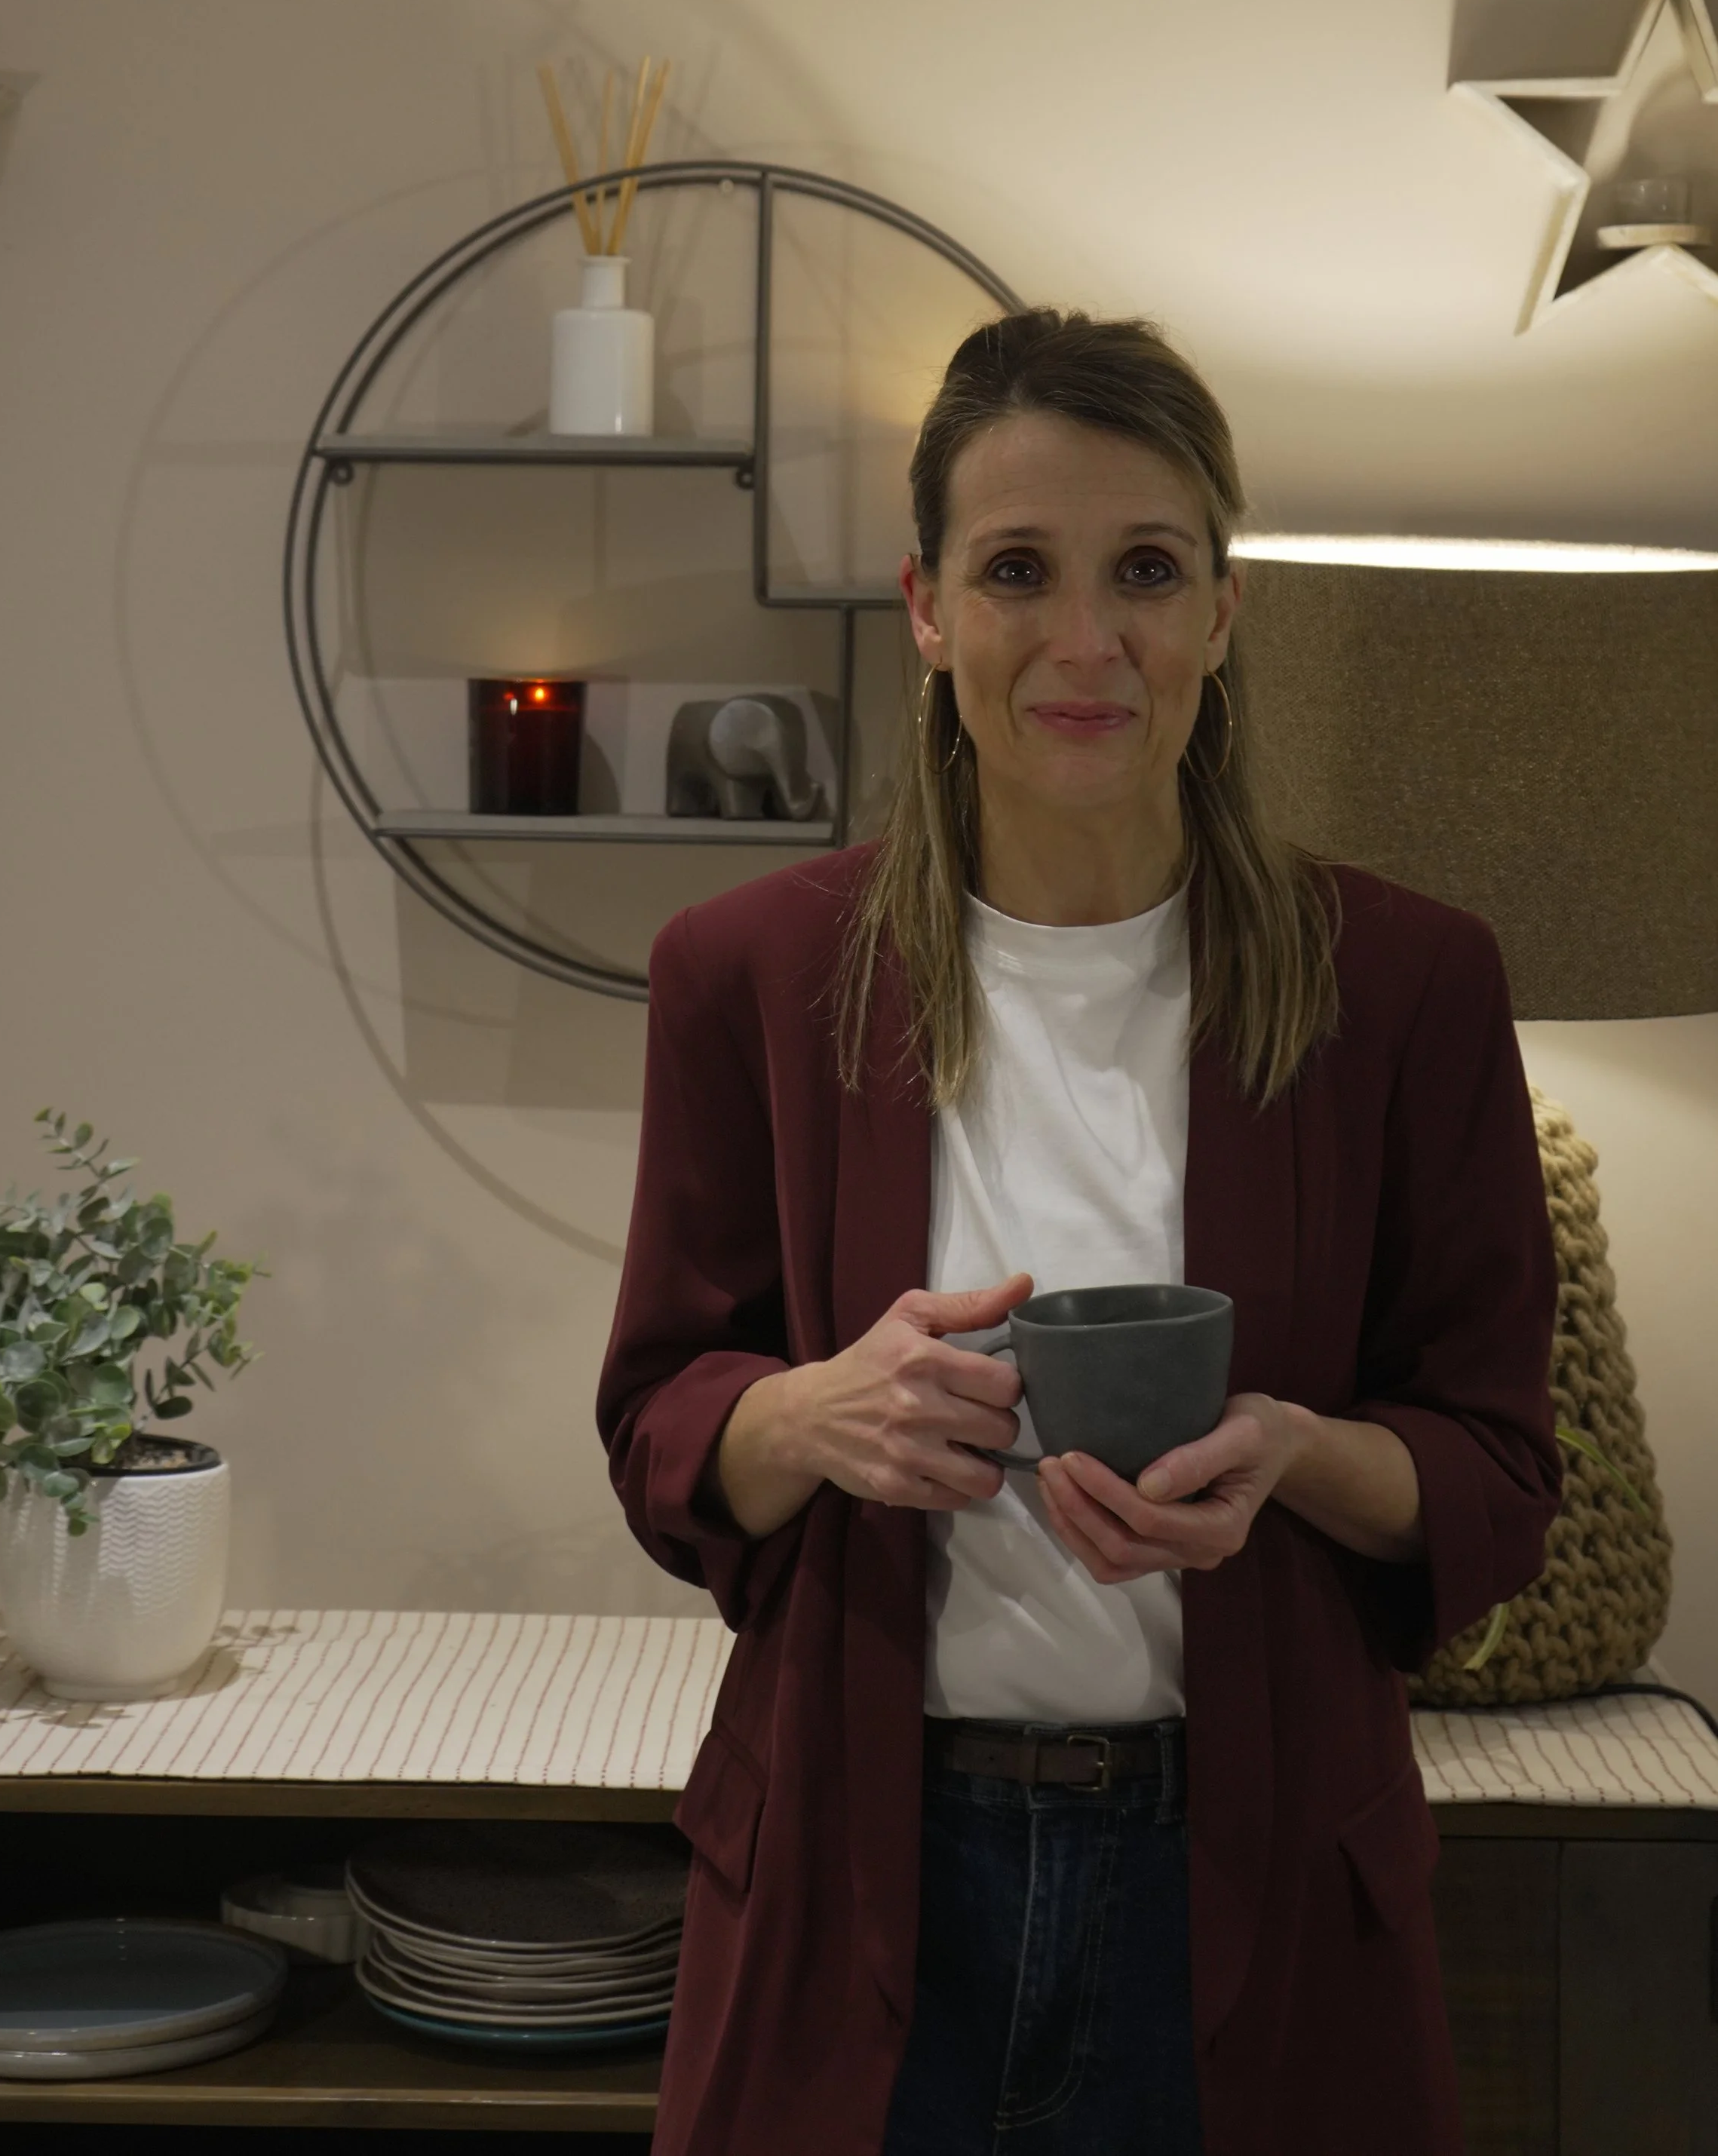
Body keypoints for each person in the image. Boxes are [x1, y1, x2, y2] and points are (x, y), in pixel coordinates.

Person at [597, 309, 1560, 2156]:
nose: (1084, 639)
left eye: (1145, 570)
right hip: (858, 1889)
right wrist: (810, 1414)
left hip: (1256, 1893)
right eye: (1016, 570)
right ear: (925, 608)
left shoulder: (1403, 987)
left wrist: (1293, 1455)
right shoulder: (751, 976)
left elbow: (1499, 1476)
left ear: (1221, 610)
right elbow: (658, 1421)